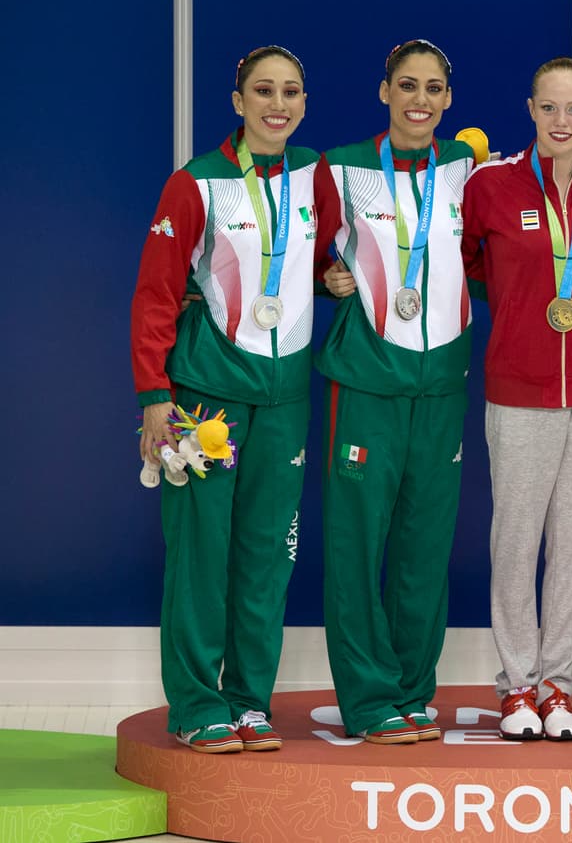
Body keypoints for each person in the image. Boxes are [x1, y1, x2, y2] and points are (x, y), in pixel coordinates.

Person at [132, 45, 338, 753]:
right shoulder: (196, 184)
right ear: (238, 100)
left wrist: (332, 273)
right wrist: (155, 396)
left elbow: (313, 252)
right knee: (200, 554)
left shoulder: (316, 174)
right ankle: (196, 703)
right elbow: (157, 293)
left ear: (304, 103)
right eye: (263, 91)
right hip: (204, 402)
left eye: (290, 92)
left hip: (285, 400)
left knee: (265, 557)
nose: (277, 104)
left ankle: (249, 699)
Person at [312, 39, 475, 745]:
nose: (420, 99)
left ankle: (411, 689)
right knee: (356, 544)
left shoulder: (469, 169)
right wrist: (328, 274)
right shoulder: (341, 168)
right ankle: (369, 696)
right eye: (407, 85)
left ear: (448, 98)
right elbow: (296, 247)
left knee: (424, 546)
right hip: (368, 380)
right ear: (384, 90)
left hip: (442, 381)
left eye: (434, 87)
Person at [461, 57, 572, 742]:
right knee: (516, 540)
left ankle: (558, 685)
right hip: (520, 391)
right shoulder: (491, 185)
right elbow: (471, 264)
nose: (562, 121)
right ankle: (516, 685)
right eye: (550, 108)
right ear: (531, 109)